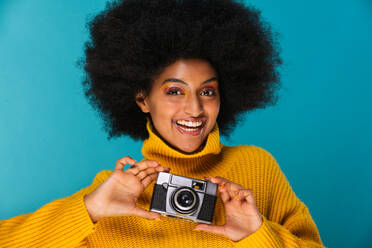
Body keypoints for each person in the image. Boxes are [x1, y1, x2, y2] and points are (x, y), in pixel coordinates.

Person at [0, 0, 325, 247]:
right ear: (143, 99)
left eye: (207, 91)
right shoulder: (116, 191)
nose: (195, 109)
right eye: (174, 91)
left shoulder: (257, 169)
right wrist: (89, 210)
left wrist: (257, 234)